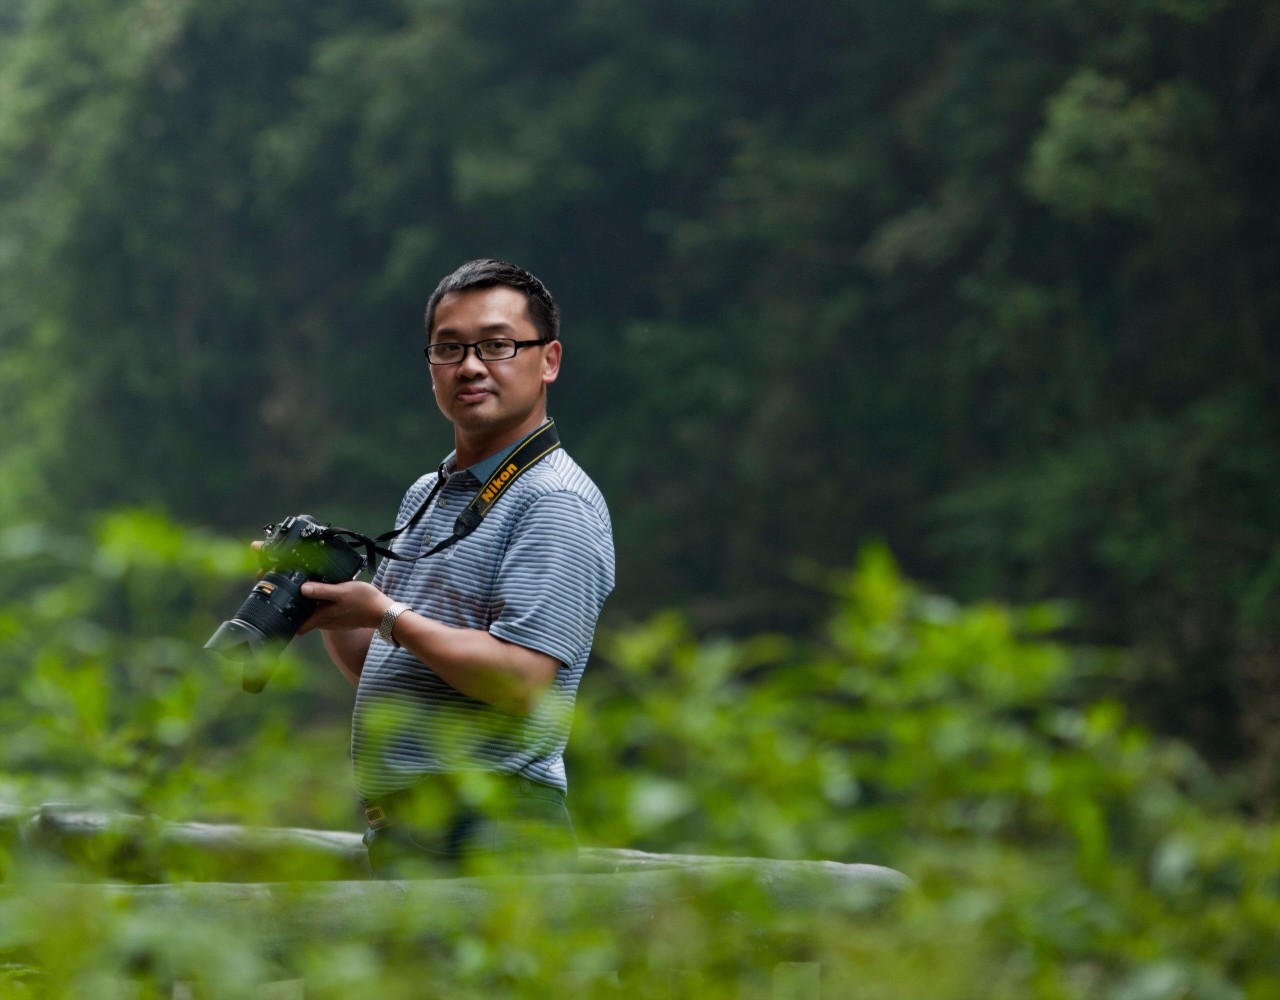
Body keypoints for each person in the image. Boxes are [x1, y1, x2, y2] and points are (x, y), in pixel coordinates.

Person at [293, 259, 615, 877]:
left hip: (494, 833)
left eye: (497, 345)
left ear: (548, 360)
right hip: (406, 832)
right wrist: (330, 598)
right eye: (450, 348)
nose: (470, 366)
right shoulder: (430, 491)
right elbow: (384, 660)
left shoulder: (555, 500)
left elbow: (521, 682)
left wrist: (386, 614)